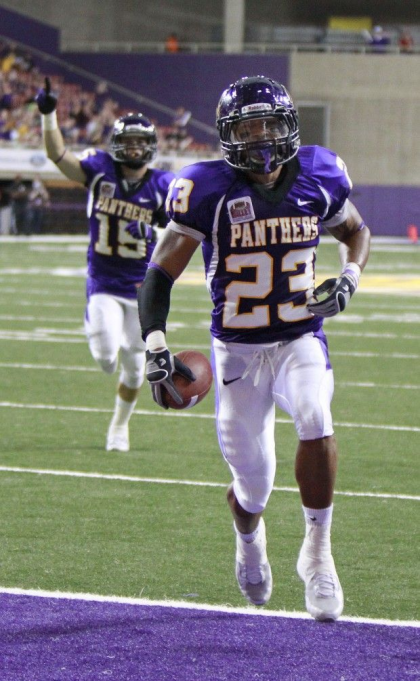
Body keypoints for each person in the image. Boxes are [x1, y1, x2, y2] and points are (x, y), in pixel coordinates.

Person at [137, 76, 371, 621]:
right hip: (237, 354)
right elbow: (158, 276)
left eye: (269, 123)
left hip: (298, 336)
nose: (261, 137)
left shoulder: (319, 174)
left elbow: (356, 231)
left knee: (315, 415)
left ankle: (317, 553)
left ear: (289, 126)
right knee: (253, 485)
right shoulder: (207, 190)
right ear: (228, 135)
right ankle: (248, 540)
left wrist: (350, 277)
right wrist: (154, 343)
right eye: (248, 127)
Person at [35, 77, 175, 452]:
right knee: (104, 358)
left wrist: (151, 229)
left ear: (150, 148)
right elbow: (58, 156)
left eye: (139, 142)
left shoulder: (164, 185)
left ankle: (119, 427)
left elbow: (181, 232)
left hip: (141, 286)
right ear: (116, 145)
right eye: (126, 141)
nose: (132, 148)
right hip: (103, 281)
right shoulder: (100, 171)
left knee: (134, 367)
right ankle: (92, 324)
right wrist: (48, 117)